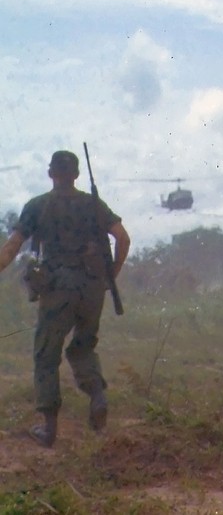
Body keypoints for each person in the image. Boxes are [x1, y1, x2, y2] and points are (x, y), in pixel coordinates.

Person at [0, 150, 131, 448]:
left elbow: (12, 247)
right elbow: (123, 238)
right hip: (92, 288)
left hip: (58, 289)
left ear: (51, 174)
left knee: (46, 355)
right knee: (83, 347)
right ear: (76, 175)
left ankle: (48, 428)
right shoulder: (94, 204)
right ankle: (97, 396)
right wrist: (111, 274)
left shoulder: (37, 206)